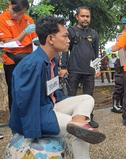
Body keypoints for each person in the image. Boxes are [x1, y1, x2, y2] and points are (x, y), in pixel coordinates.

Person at [9, 16, 106, 159]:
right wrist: (34, 133)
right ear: (50, 39)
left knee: (87, 98)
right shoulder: (32, 65)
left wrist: (67, 106)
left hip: (49, 107)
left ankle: (78, 119)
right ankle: (78, 125)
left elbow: (51, 92)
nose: (69, 40)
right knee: (81, 132)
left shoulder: (53, 60)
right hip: (36, 116)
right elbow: (26, 106)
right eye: (65, 36)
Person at [60, 6, 100, 128]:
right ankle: (69, 119)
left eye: (87, 16)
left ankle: (89, 119)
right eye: (82, 16)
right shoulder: (71, 31)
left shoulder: (94, 33)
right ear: (77, 17)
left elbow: (96, 53)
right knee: (71, 96)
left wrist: (97, 69)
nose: (85, 19)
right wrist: (63, 67)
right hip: (74, 70)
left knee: (89, 96)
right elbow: (65, 50)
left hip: (89, 71)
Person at [0, 0, 38, 113]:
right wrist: (25, 32)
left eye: (21, 13)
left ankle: (31, 116)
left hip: (29, 58)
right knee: (14, 92)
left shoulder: (28, 20)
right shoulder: (3, 19)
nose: (17, 15)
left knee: (30, 90)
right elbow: (8, 43)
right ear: (10, 5)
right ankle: (15, 122)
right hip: (13, 59)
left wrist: (37, 41)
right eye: (15, 11)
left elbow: (35, 38)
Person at [111, 18, 126, 113]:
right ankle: (115, 105)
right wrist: (124, 64)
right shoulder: (121, 36)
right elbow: (120, 51)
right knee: (119, 85)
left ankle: (124, 104)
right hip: (122, 64)